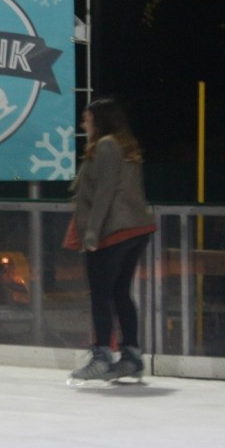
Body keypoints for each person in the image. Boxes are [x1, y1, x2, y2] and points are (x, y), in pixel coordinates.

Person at [66, 97, 156, 384]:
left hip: (112, 231)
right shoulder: (125, 146)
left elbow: (104, 192)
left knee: (101, 295)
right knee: (119, 293)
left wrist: (92, 232)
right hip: (134, 229)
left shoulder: (106, 145)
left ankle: (102, 355)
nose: (83, 124)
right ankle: (131, 355)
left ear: (100, 119)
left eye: (87, 118)